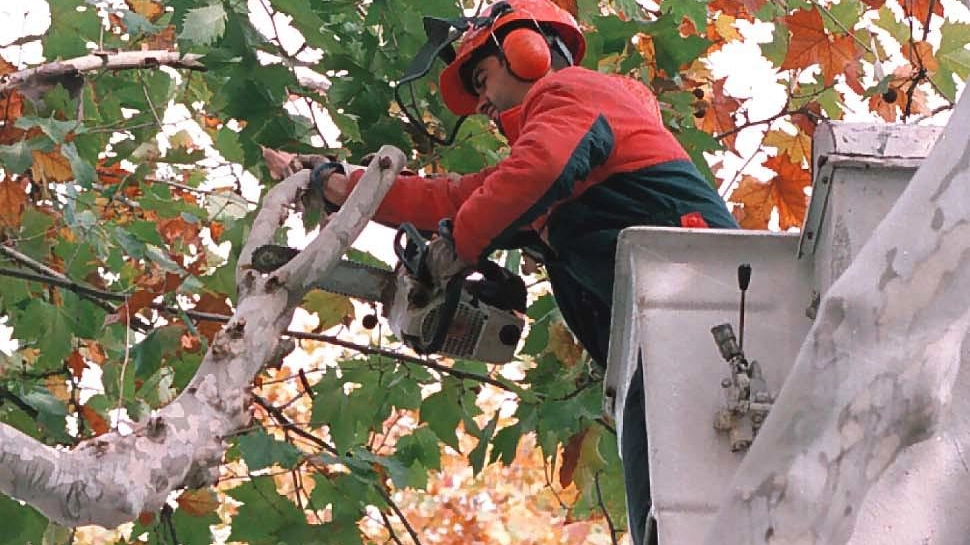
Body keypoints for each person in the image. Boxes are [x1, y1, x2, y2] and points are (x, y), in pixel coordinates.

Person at [316, 1, 738, 542]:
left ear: (527, 50)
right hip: (661, 341)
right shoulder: (555, 146)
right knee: (666, 514)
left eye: (482, 78)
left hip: (701, 307)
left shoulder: (575, 95)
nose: (483, 102)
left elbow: (533, 172)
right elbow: (453, 197)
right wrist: (342, 188)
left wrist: (457, 249)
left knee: (670, 501)